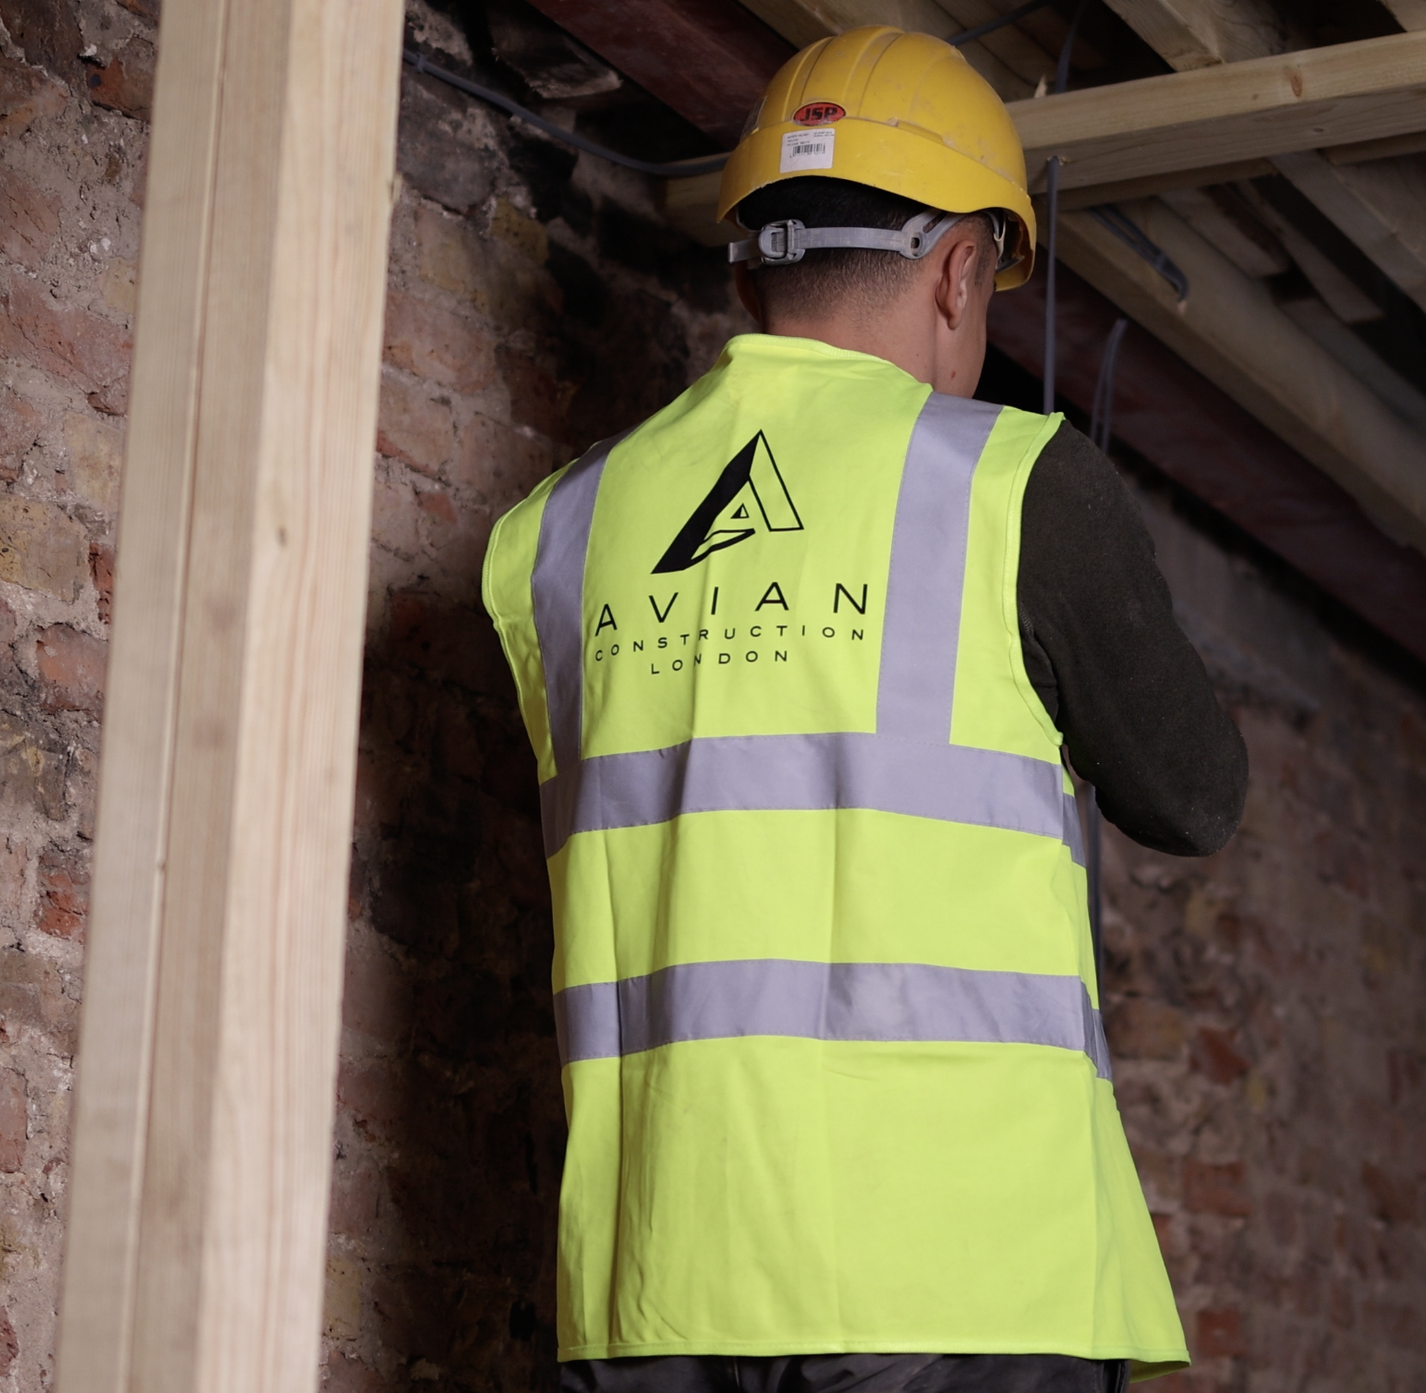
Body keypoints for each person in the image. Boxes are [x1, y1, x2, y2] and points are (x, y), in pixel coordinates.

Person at [482, 25, 1247, 1393]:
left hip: (663, 1282)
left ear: (741, 265)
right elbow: (1193, 797)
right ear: (961, 272)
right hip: (964, 1282)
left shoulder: (558, 535)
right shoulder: (1015, 486)